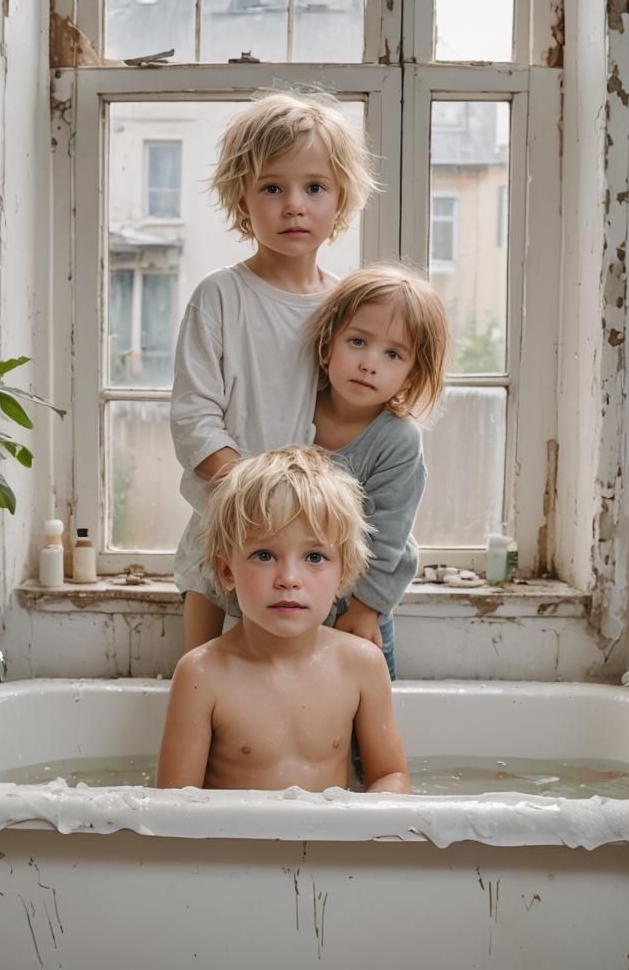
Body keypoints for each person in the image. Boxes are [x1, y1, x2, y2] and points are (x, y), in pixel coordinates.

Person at [170, 90, 376, 652]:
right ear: (242, 201)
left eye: (314, 188)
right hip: (225, 511)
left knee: (300, 682)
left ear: (341, 201)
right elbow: (194, 415)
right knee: (204, 672)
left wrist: (302, 508)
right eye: (271, 187)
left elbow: (368, 402)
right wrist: (250, 494)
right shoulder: (219, 296)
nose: (294, 205)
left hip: (314, 530)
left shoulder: (347, 304)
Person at [156, 446, 411, 794]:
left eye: (315, 557)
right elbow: (173, 807)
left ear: (344, 573)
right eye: (264, 555)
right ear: (227, 571)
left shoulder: (361, 665)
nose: (289, 578)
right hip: (237, 845)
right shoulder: (202, 674)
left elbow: (390, 775)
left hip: (326, 844)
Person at [308, 263, 450, 679]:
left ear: (411, 375)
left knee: (363, 726)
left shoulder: (397, 440)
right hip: (293, 600)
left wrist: (366, 609)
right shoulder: (295, 408)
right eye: (357, 341)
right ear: (326, 345)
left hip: (359, 603)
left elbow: (388, 539)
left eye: (393, 354)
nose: (370, 363)